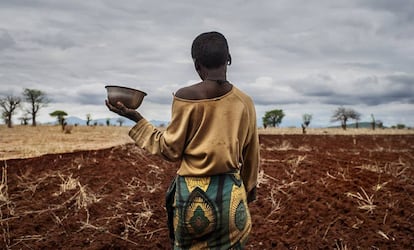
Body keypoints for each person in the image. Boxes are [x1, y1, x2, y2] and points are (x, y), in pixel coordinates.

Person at [106, 31, 260, 249]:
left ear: (197, 65)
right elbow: (251, 154)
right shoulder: (245, 102)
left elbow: (170, 149)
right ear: (229, 59)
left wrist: (137, 119)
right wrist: (247, 193)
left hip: (192, 201)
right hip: (231, 200)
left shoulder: (186, 97)